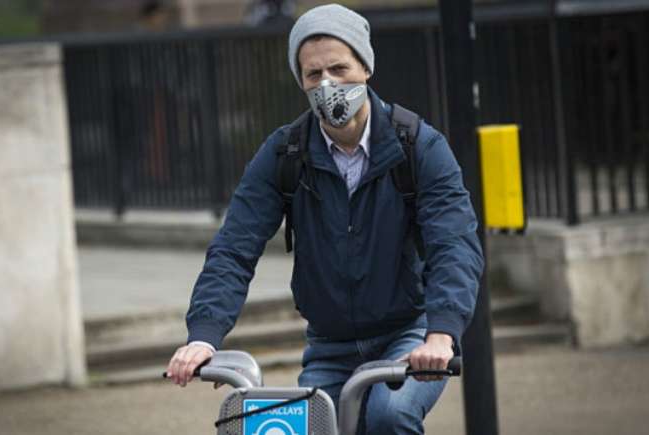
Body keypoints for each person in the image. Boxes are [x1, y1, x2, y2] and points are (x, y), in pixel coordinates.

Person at [166, 4, 484, 434]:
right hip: (329, 345)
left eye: (339, 68)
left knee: (388, 417)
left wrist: (441, 334)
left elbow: (454, 242)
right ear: (301, 81)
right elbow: (234, 247)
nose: (328, 83)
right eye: (314, 75)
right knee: (307, 427)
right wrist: (203, 336)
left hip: (406, 333)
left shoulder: (418, 146)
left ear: (366, 67)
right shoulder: (284, 154)